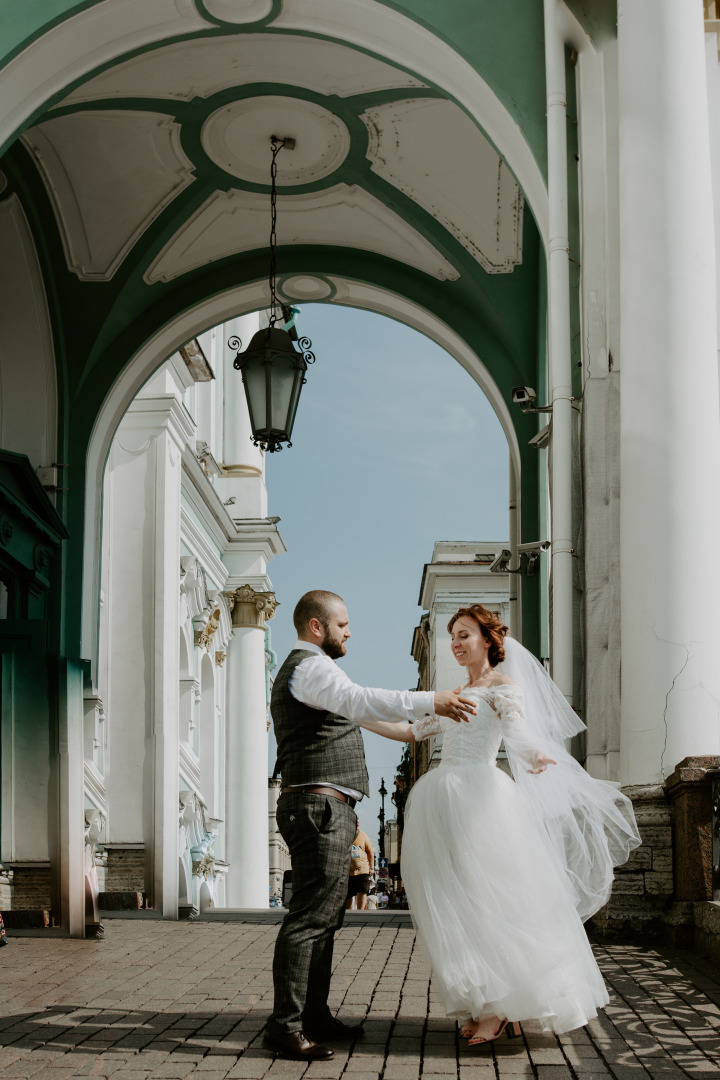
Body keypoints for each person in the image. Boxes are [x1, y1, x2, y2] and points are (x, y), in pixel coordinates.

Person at [363, 604, 641, 1045]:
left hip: (482, 799)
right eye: (452, 636)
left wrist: (535, 755)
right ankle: (486, 1004)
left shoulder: (501, 687)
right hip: (444, 801)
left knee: (490, 899)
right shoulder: (454, 693)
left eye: (464, 635)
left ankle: (501, 1007)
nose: (456, 643)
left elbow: (519, 733)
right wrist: (356, 712)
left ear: (488, 641)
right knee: (461, 904)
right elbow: (412, 733)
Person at [263, 589, 477, 1062]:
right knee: (309, 919)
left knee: (324, 918)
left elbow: (386, 722)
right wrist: (432, 698)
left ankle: (313, 1017)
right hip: (317, 806)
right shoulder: (310, 666)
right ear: (317, 627)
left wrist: (449, 713)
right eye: (343, 624)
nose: (350, 632)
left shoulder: (317, 674)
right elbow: (361, 699)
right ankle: (285, 1025)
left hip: (323, 806)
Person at [346, 818, 374, 911]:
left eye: (358, 822)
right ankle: (349, 913)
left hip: (362, 869)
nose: (357, 823)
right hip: (347, 870)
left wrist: (371, 868)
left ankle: (360, 912)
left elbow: (370, 852)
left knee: (362, 891)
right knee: (348, 894)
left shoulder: (363, 835)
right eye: (355, 821)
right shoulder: (345, 833)